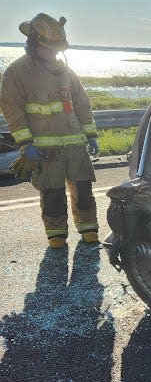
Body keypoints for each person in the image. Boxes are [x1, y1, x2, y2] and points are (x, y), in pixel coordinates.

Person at [0, 14, 100, 248]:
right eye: (49, 49)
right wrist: (26, 143)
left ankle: (88, 229)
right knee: (52, 194)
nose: (53, 54)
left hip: (75, 146)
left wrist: (91, 134)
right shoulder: (17, 72)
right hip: (44, 149)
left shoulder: (65, 71)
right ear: (34, 45)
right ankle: (56, 234)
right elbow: (12, 110)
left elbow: (82, 103)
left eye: (56, 50)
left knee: (84, 189)